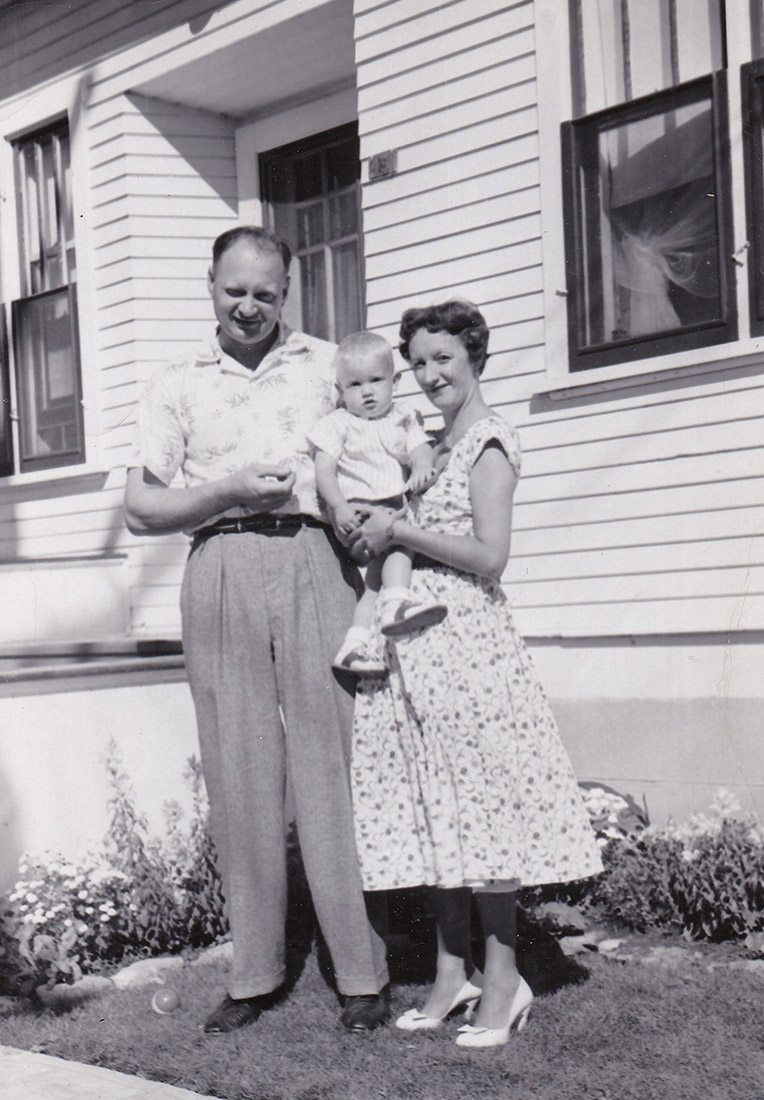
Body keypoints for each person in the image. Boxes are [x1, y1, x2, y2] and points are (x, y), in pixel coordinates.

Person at [124, 226, 389, 1035]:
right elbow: (141, 507)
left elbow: (379, 444)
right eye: (235, 290)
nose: (249, 307)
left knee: (331, 760)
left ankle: (362, 972)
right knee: (240, 767)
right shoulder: (175, 383)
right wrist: (230, 490)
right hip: (222, 565)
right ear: (210, 286)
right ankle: (255, 974)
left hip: (316, 561)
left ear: (287, 294)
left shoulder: (322, 364)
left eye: (265, 294)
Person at [347, 300, 603, 1049]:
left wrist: (401, 529)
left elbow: (491, 555)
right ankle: (449, 971)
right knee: (436, 810)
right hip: (416, 649)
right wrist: (378, 531)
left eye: (442, 361)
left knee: (483, 813)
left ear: (475, 359)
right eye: (417, 364)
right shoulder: (427, 444)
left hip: (469, 646)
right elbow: (405, 539)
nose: (428, 377)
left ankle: (504, 977)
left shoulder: (489, 442)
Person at [309, 330, 446, 675]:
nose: (367, 392)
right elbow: (323, 472)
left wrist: (423, 464)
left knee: (374, 579)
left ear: (395, 382)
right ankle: (398, 604)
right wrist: (338, 506)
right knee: (400, 544)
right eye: (354, 385)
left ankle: (354, 645)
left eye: (375, 381)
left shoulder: (402, 416)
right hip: (357, 509)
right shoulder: (338, 424)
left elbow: (419, 446)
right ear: (340, 391)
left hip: (388, 503)